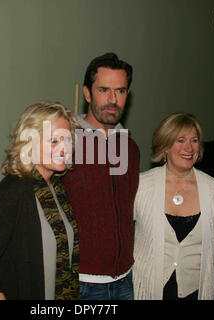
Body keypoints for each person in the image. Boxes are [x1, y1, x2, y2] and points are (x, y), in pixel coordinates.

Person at [0, 101, 80, 300]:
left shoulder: (57, 188)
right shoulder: (9, 193)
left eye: (68, 140)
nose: (64, 148)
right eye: (54, 141)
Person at [62, 52, 140, 300]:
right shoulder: (66, 145)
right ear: (87, 93)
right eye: (104, 89)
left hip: (126, 280)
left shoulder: (130, 148)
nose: (112, 99)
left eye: (121, 91)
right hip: (82, 283)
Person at [133, 112, 214, 300]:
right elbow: (120, 230)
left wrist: (193, 252)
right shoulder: (141, 186)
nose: (189, 148)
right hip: (148, 287)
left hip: (194, 289)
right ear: (165, 146)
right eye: (180, 140)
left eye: (194, 141)